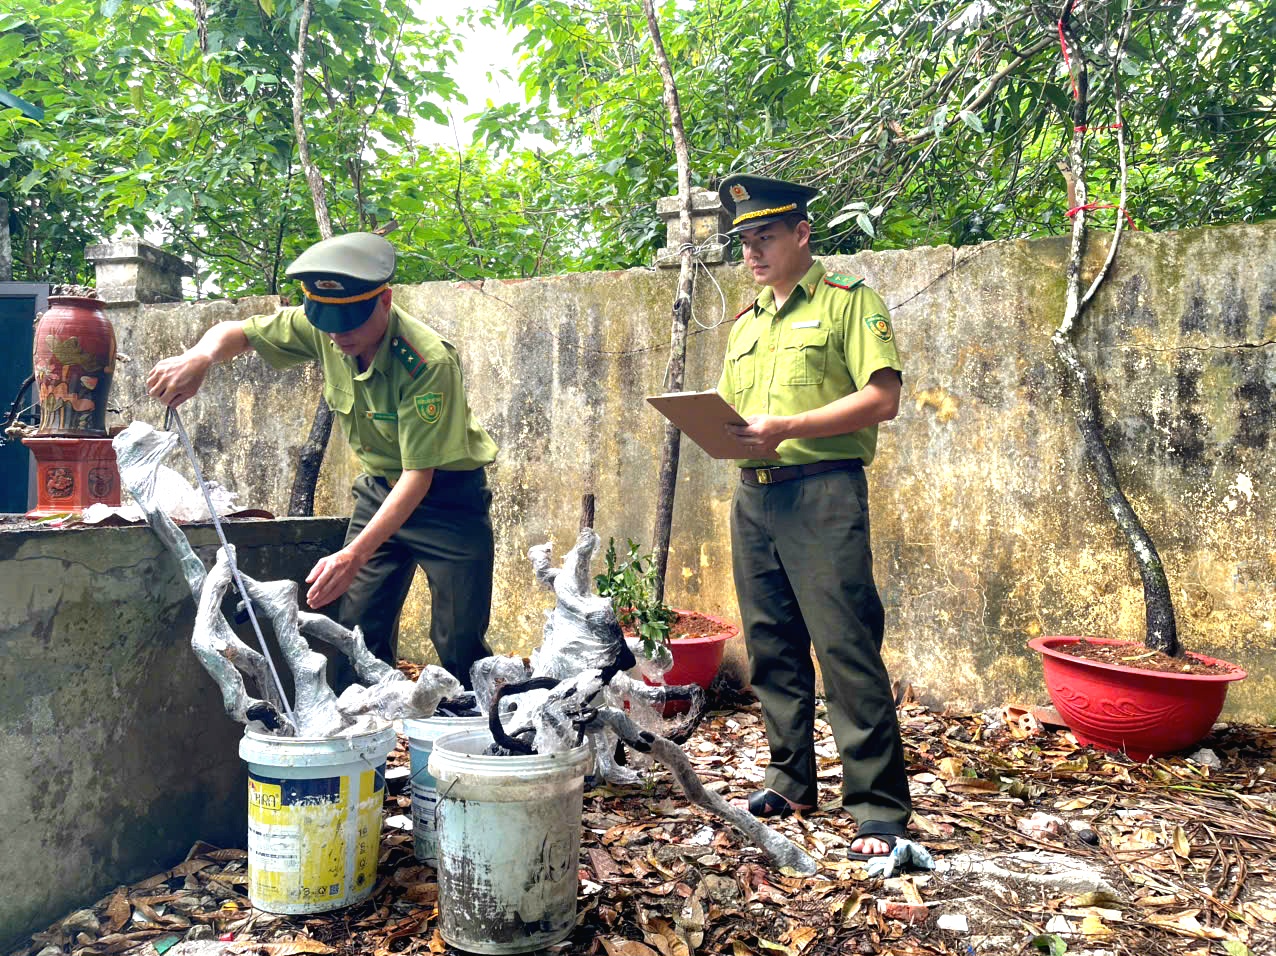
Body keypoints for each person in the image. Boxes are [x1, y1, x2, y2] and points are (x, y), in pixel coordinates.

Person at [147, 232, 498, 688]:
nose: (337, 335)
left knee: (459, 640)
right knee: (356, 632)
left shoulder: (426, 362)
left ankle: (472, 728)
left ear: (385, 300)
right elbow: (238, 333)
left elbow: (419, 477)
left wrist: (352, 554)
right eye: (327, 322)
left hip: (448, 501)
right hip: (381, 490)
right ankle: (368, 728)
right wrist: (200, 357)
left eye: (349, 323)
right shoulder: (326, 328)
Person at [715, 174, 912, 859]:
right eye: (744, 240)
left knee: (844, 645)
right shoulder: (747, 324)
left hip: (822, 491)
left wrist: (790, 425)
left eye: (765, 237)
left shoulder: (847, 303)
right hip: (754, 496)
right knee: (771, 644)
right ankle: (790, 779)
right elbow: (735, 413)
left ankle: (877, 806)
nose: (752, 252)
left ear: (802, 234)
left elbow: (882, 398)